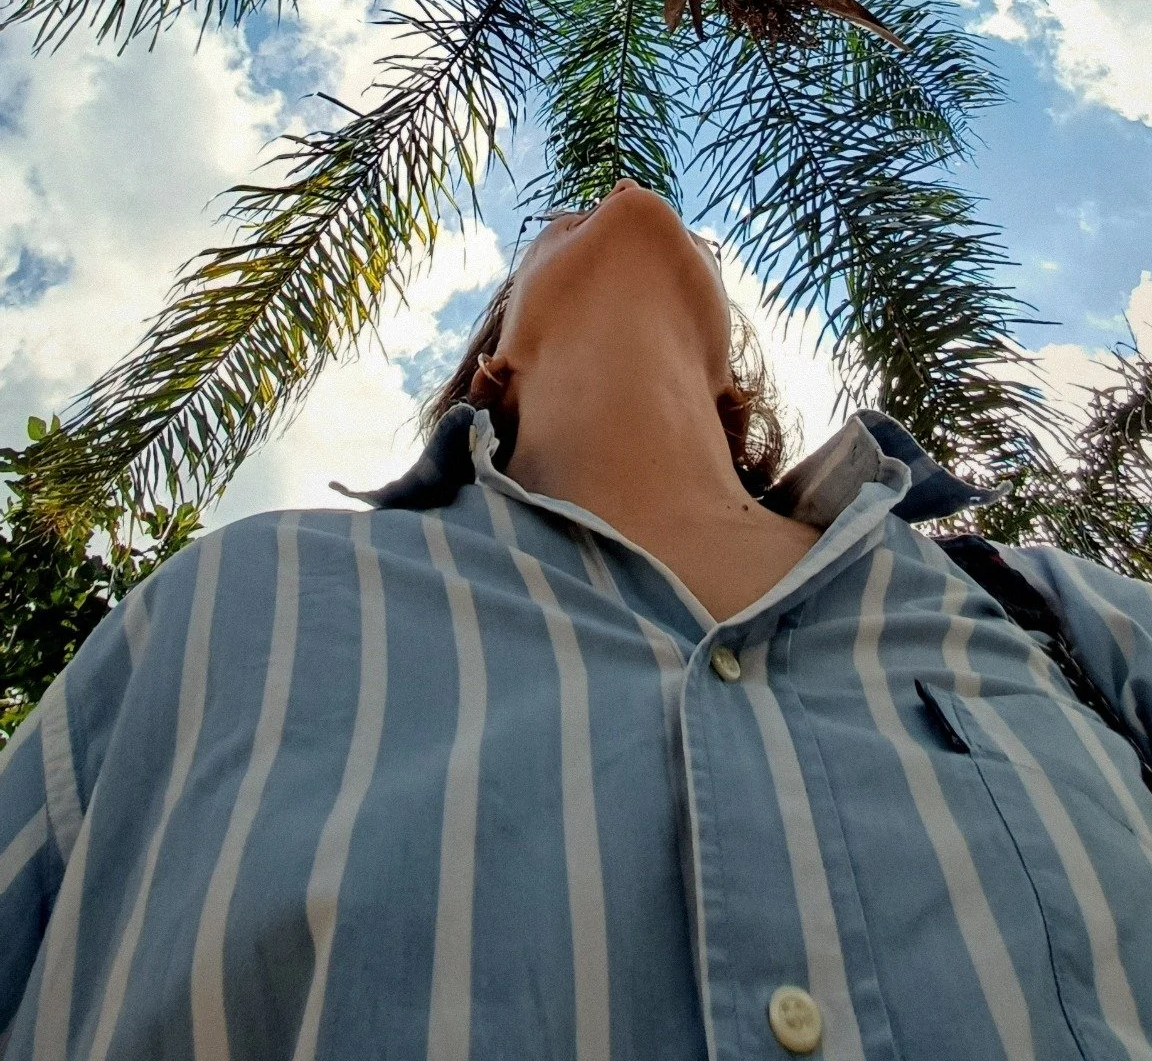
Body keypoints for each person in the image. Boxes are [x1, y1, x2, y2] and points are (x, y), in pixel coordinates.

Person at [1, 178, 1150, 1061]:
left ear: (732, 386)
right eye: (540, 232)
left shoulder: (1057, 611)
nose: (585, 204)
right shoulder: (229, 610)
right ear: (493, 364)